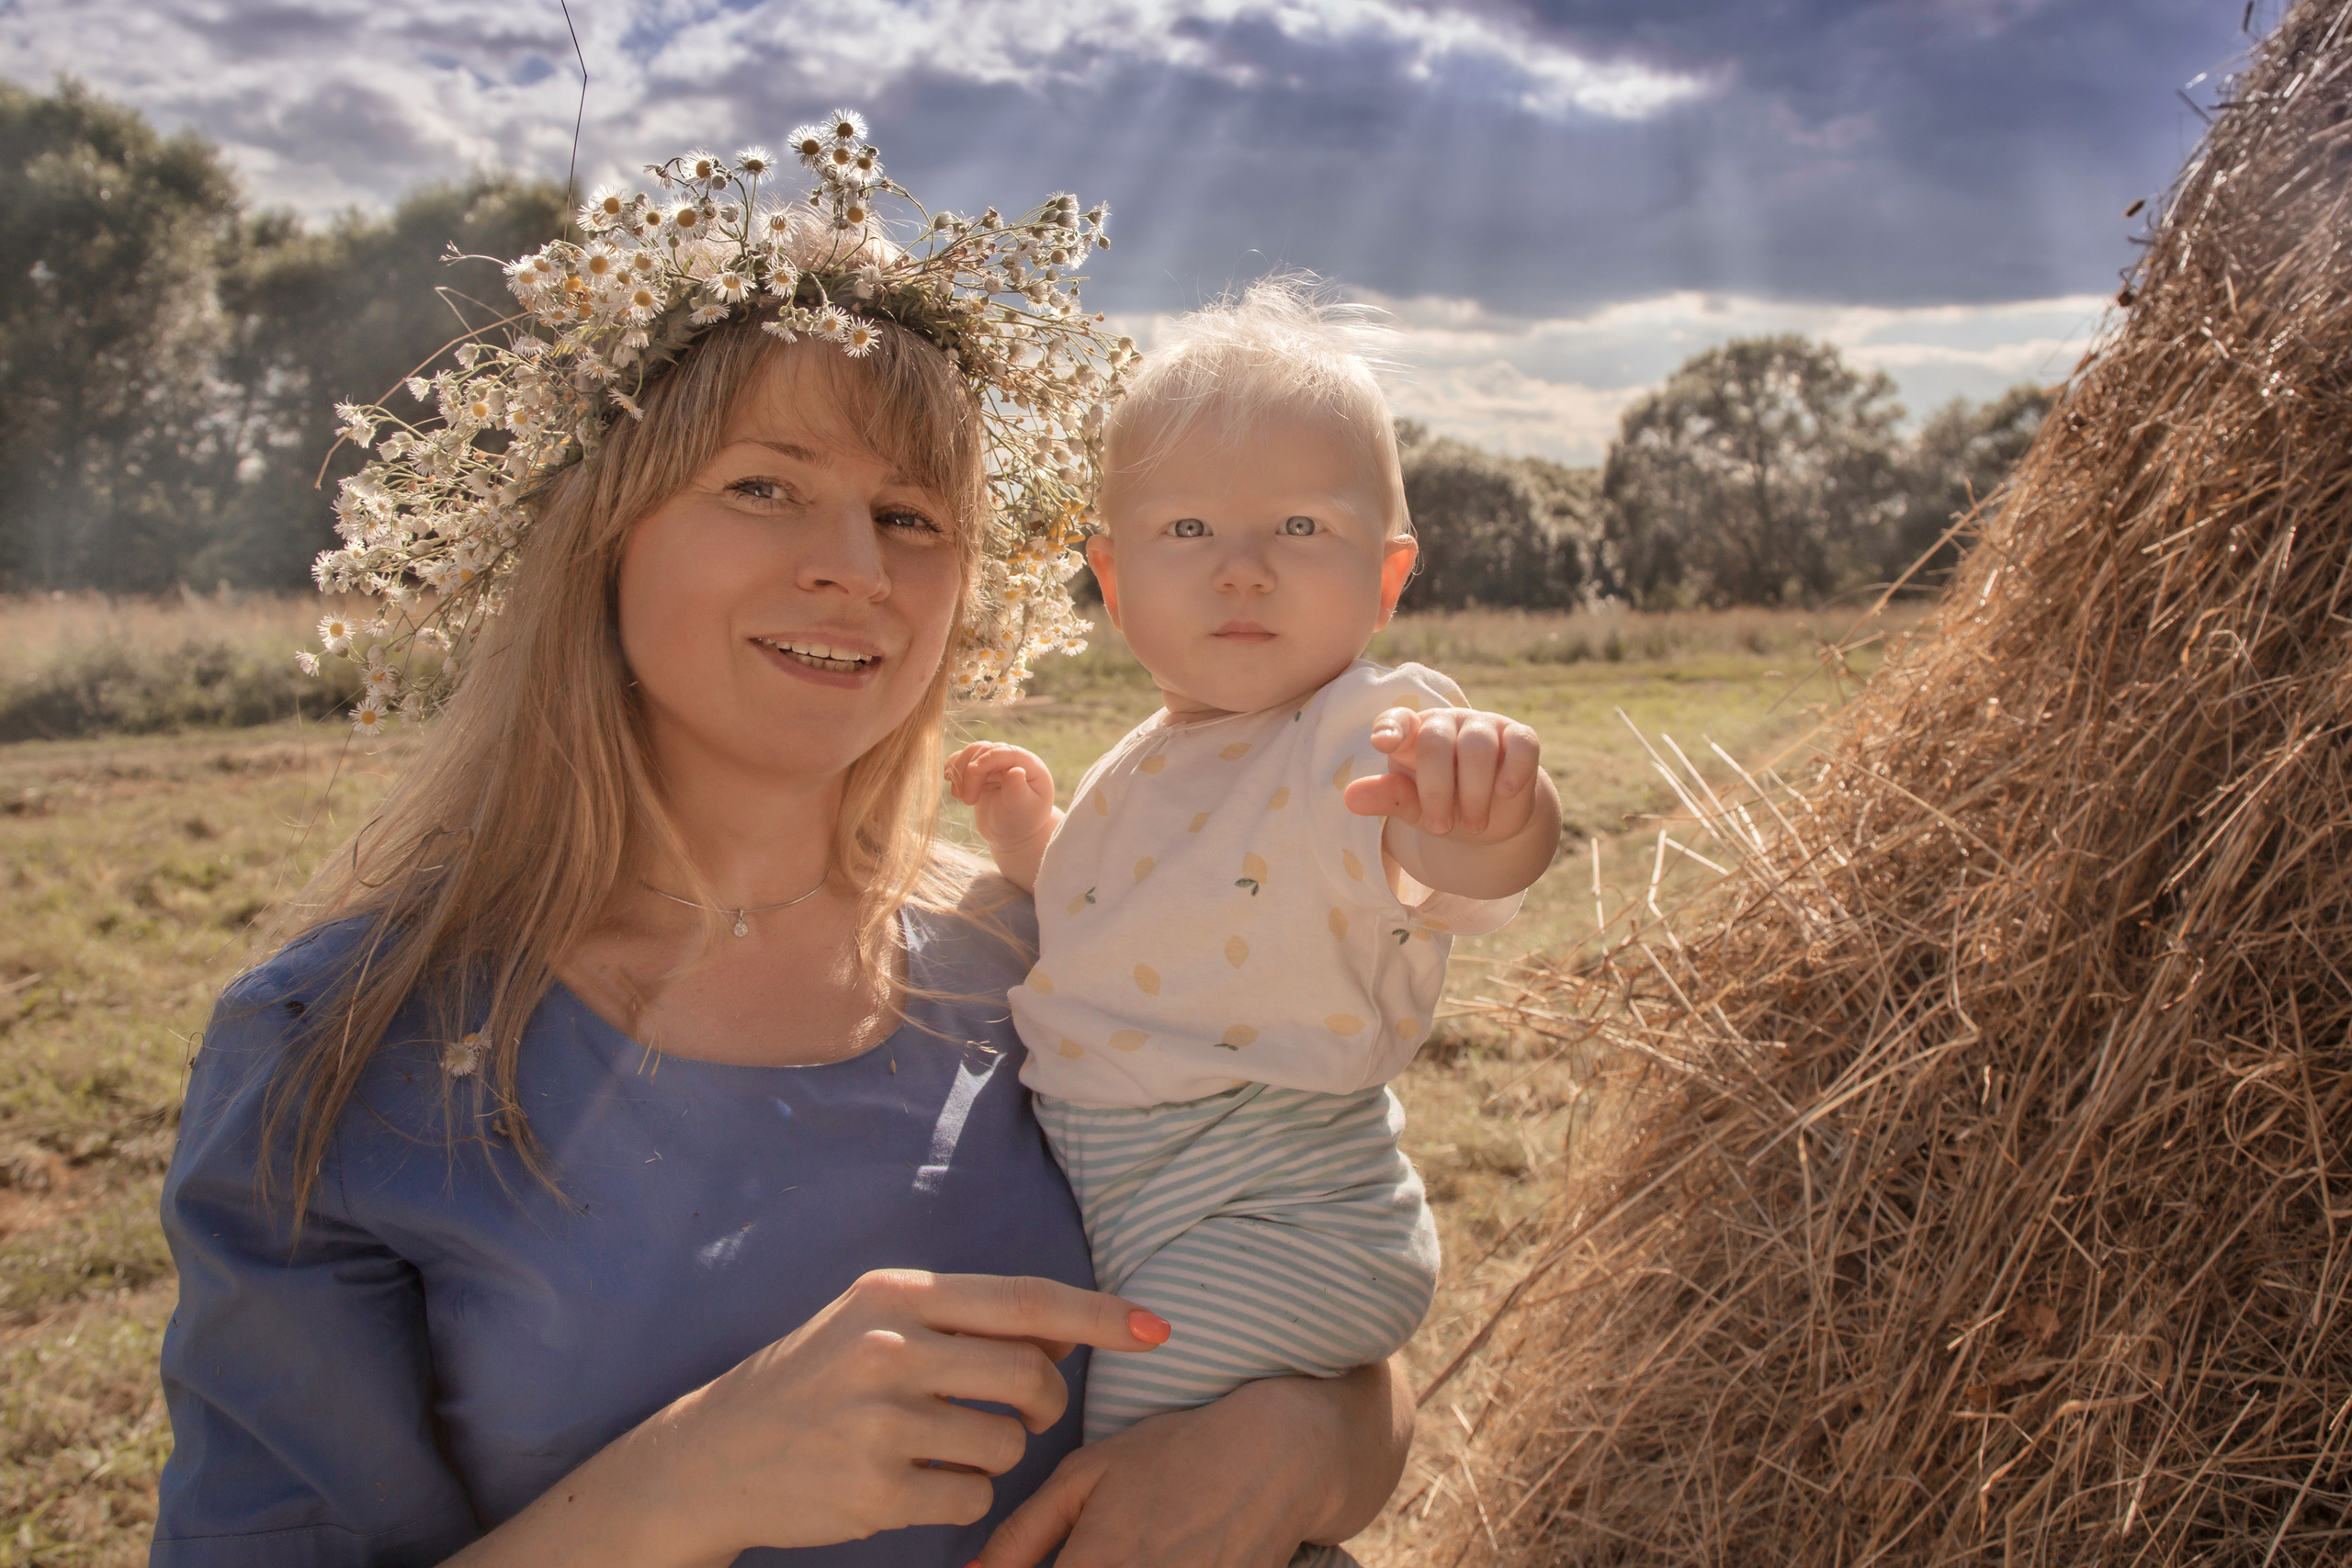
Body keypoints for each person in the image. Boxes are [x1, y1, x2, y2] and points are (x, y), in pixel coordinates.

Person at [153, 129, 1411, 1568]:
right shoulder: (337, 1049)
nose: (856, 568)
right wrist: (678, 1489)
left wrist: (1305, 1445)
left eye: (910, 516)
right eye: (764, 486)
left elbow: (1331, 1282)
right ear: (600, 530)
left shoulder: (1043, 948)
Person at [944, 281, 1560, 1499]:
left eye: (1298, 530)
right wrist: (1032, 843)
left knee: (1116, 1455)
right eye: (1187, 533)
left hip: (1276, 1213)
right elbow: (1131, 912)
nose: (1241, 573)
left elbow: (1445, 864)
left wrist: (1492, 812)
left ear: (1386, 582)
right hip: (1159, 1199)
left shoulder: (1357, 736)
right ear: (1113, 584)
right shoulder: (1165, 749)